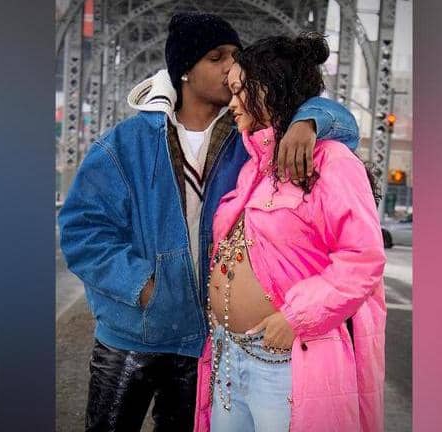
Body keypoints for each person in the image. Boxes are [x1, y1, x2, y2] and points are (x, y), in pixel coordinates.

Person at [58, 12, 360, 432]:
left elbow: (341, 121)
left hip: (204, 343)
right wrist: (143, 286)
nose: (230, 67)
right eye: (216, 57)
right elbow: (81, 231)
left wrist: (309, 121)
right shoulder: (124, 143)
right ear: (184, 70)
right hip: (131, 335)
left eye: (235, 56)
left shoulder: (250, 137)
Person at [192, 32, 386, 432]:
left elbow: (362, 260)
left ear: (269, 87)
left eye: (240, 91)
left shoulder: (330, 161)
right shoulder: (254, 167)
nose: (232, 104)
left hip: (284, 361)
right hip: (229, 355)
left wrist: (297, 317)